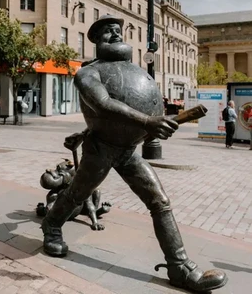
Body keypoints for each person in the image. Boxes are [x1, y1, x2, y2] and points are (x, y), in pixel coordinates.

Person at [41, 15, 227, 293]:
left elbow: (139, 106)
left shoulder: (134, 70)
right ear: (96, 40)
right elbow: (103, 104)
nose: (116, 35)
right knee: (77, 194)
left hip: (128, 150)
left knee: (159, 201)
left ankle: (179, 267)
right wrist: (147, 121)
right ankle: (52, 225)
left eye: (118, 30)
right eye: (108, 32)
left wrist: (153, 127)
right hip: (101, 148)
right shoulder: (88, 73)